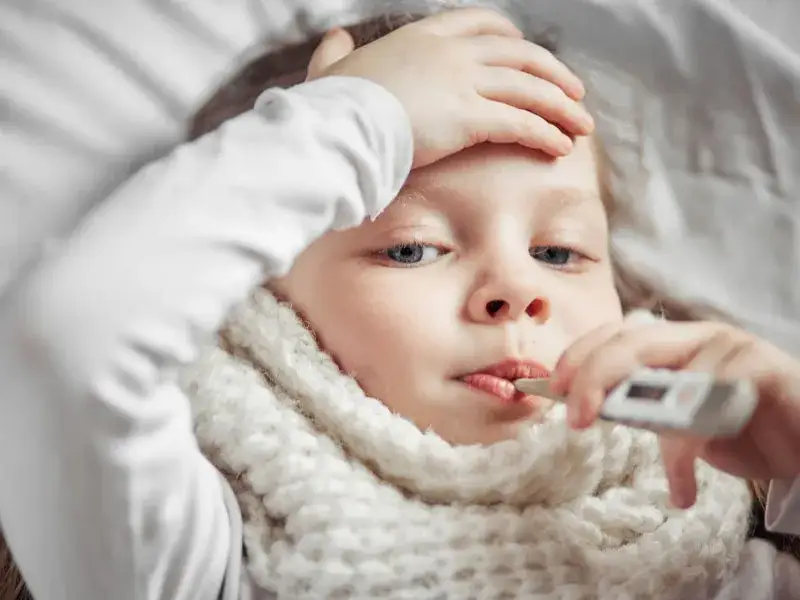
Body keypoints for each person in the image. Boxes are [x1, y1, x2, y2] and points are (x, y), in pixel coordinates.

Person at [0, 6, 798, 600]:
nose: (517, 290)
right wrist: (356, 122)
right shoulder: (202, 558)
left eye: (558, 253)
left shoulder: (721, 533)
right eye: (412, 247)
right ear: (247, 298)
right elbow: (68, 337)